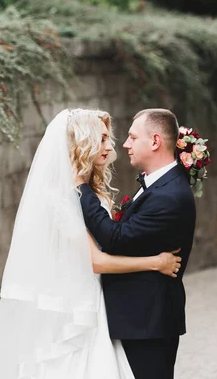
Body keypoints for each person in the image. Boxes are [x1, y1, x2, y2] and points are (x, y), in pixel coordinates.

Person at [0, 108, 181, 379]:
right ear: (83, 143)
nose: (111, 146)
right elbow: (96, 261)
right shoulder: (63, 199)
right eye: (103, 139)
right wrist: (156, 262)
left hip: (99, 303)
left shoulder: (90, 191)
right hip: (76, 307)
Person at [77, 108, 196, 379]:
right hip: (135, 320)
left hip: (147, 323)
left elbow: (114, 239)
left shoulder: (169, 196)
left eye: (132, 137)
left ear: (155, 141)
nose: (125, 144)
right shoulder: (158, 185)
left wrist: (80, 187)